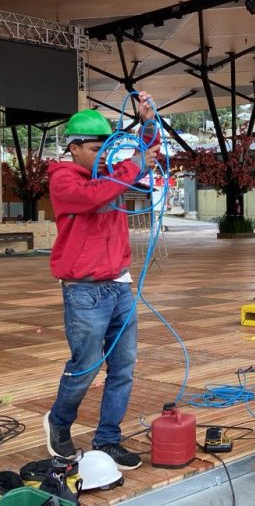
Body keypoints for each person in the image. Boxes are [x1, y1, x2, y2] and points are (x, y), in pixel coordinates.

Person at [43, 93, 160, 470]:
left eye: (107, 149)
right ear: (74, 148)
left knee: (123, 367)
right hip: (84, 290)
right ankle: (59, 423)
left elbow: (145, 154)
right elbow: (94, 196)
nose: (104, 156)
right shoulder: (64, 179)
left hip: (119, 285)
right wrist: (133, 165)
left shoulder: (109, 173)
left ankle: (108, 439)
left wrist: (147, 123)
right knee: (87, 364)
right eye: (96, 149)